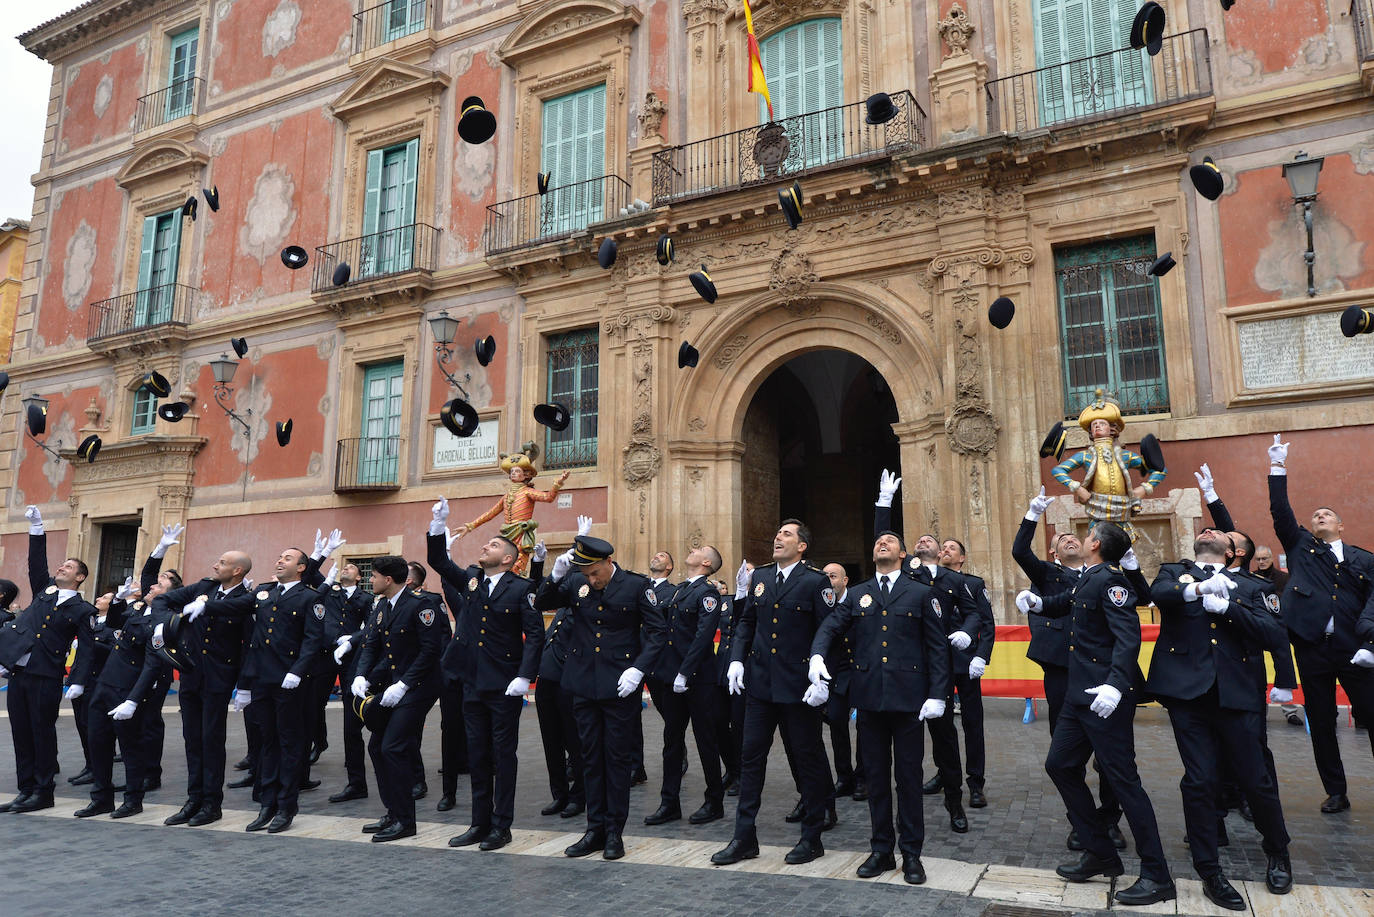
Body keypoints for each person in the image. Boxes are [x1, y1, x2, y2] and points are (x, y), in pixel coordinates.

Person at [1020, 522, 1175, 907]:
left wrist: (1116, 683)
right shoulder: (1088, 578)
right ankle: (1100, 851)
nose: (1083, 536)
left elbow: (1128, 634)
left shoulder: (1111, 580)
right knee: (1059, 765)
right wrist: (1039, 604)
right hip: (1078, 695)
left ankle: (1157, 874)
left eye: (1088, 533)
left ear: (1097, 544)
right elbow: (1070, 602)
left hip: (1103, 695)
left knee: (1124, 781)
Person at [1148, 529, 1294, 908]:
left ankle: (1277, 848)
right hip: (1187, 695)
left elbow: (1274, 634)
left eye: (1218, 533)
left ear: (1232, 552)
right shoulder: (1172, 573)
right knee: (1199, 781)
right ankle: (1209, 870)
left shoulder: (1251, 585)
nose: (1209, 531)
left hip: (1237, 694)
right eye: (1203, 529)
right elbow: (1158, 595)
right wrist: (1196, 591)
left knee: (1255, 779)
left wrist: (1229, 609)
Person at [809, 529, 949, 884]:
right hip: (869, 699)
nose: (881, 544)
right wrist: (816, 655)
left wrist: (938, 694)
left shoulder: (920, 593)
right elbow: (831, 626)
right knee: (875, 778)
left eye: (889, 542)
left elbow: (936, 648)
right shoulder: (857, 594)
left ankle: (912, 853)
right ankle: (882, 849)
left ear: (903, 554)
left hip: (908, 701)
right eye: (877, 542)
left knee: (909, 778)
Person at [710, 520, 836, 868]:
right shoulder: (761, 578)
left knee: (807, 760)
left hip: (798, 688)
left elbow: (829, 628)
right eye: (778, 533)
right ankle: (743, 837)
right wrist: (736, 659)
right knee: (750, 760)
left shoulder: (815, 581)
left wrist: (821, 675)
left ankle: (811, 837)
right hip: (760, 686)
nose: (778, 538)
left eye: (787, 535)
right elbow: (747, 621)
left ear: (802, 547)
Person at [534, 535, 666, 860]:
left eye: (595, 573)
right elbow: (540, 603)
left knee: (616, 760)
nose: (591, 580)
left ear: (609, 562)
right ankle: (593, 830)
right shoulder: (577, 581)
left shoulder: (636, 586)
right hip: (582, 684)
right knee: (589, 758)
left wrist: (638, 670)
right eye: (586, 574)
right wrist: (555, 576)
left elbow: (658, 632)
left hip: (620, 685)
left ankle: (613, 832)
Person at [1012, 486, 1126, 851]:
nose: (1069, 540)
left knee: (1110, 756)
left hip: (1100, 674)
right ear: (1053, 552)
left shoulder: (1107, 574)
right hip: (1061, 670)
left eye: (1073, 536)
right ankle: (1081, 821)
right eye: (1061, 539)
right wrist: (1032, 516)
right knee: (1067, 753)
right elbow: (1018, 552)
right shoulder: (1048, 575)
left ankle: (1110, 819)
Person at [428, 498, 544, 851]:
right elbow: (439, 562)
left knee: (502, 755)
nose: (485, 546)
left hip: (504, 685)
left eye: (493, 544)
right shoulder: (474, 580)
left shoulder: (522, 589)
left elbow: (536, 634)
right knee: (477, 754)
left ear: (508, 558)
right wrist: (438, 526)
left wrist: (525, 677)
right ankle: (478, 823)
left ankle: (501, 825)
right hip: (472, 682)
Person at [1267, 435, 1374, 813]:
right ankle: (1337, 791)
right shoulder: (1300, 546)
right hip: (1313, 648)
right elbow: (1281, 512)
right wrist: (1277, 469)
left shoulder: (1363, 560)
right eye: (1315, 516)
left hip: (1355, 649)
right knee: (1322, 723)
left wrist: (1370, 643)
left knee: (1372, 715)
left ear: (1341, 526)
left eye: (1326, 515)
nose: (1319, 517)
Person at [0, 506, 98, 814]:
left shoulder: (84, 610)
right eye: (63, 564)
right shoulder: (45, 591)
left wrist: (78, 681)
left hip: (46, 676)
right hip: (19, 673)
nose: (63, 567)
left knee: (41, 732)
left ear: (80, 577)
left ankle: (44, 791)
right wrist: (36, 529)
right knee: (21, 732)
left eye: (69, 566)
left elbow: (87, 649)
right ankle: (25, 789)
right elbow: (36, 564)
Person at [154, 549, 256, 827]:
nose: (215, 564)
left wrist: (244, 685)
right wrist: (164, 625)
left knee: (211, 741)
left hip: (219, 678)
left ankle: (212, 804)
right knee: (192, 740)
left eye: (222, 562)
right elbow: (163, 599)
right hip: (191, 674)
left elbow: (248, 646)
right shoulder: (205, 586)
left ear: (237, 571)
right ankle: (193, 800)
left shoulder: (247, 599)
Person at [351, 555, 445, 843]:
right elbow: (373, 645)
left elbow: (430, 651)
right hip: (394, 684)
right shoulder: (382, 607)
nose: (371, 580)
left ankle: (406, 821)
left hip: (420, 686)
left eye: (374, 576)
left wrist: (404, 684)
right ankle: (392, 812)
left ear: (388, 580)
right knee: (378, 746)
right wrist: (363, 676)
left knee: (393, 747)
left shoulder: (421, 606)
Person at [238, 548, 323, 833]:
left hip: (289, 682)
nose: (279, 560)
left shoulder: (310, 597)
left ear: (301, 568)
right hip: (263, 679)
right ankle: (268, 803)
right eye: (279, 557)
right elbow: (252, 638)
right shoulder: (266, 593)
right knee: (267, 741)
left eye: (287, 558)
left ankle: (286, 806)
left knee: (290, 743)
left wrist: (297, 672)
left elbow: (313, 640)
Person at [643, 544, 726, 826]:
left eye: (699, 549)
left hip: (697, 680)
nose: (691, 549)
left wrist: (684, 673)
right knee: (672, 741)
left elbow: (703, 637)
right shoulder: (680, 589)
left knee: (706, 741)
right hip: (672, 677)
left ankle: (714, 801)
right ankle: (669, 802)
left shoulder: (708, 592)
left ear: (706, 563)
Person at [74, 591, 162, 819]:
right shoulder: (138, 610)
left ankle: (133, 800)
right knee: (97, 742)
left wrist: (133, 700)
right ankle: (101, 798)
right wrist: (118, 600)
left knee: (130, 747)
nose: (151, 587)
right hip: (105, 683)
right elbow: (114, 621)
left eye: (159, 584)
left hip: (128, 688)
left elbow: (152, 664)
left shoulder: (164, 620)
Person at [1050, 390, 1167, 540]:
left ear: (1112, 429)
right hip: (1097, 510)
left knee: (1125, 550)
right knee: (1098, 546)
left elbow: (1160, 469)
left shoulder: (1125, 456)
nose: (1097, 426)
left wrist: (1146, 488)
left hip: (1122, 512)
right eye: (1094, 424)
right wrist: (1078, 488)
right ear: (1090, 431)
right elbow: (1058, 470)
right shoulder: (1086, 456)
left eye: (1102, 423)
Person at [936, 538, 996, 808]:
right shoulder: (930, 584)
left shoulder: (973, 584)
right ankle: (944, 774)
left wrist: (981, 656)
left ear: (961, 559)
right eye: (943, 547)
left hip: (967, 663)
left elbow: (987, 623)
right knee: (940, 725)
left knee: (972, 725)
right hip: (939, 664)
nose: (946, 550)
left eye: (952, 548)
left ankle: (975, 782)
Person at [455, 442, 570, 575]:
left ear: (525, 475)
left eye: (517, 471)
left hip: (520, 534)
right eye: (512, 472)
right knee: (503, 567)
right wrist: (470, 526)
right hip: (507, 534)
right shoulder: (507, 496)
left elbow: (548, 497)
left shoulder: (527, 492)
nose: (513, 474)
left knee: (517, 567)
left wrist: (558, 483)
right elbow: (490, 514)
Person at [325, 563, 377, 803]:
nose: (345, 569)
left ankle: (356, 783)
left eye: (351, 567)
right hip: (323, 658)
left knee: (351, 726)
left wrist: (352, 639)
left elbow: (372, 628)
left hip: (351, 661)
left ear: (359, 577)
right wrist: (321, 555)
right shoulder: (329, 591)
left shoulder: (365, 598)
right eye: (343, 567)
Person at [820, 562, 865, 804]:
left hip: (859, 674)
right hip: (836, 675)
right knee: (837, 724)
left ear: (845, 581)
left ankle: (862, 778)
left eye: (833, 576)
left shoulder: (860, 599)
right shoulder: (824, 604)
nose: (829, 580)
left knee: (865, 729)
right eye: (825, 575)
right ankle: (844, 777)